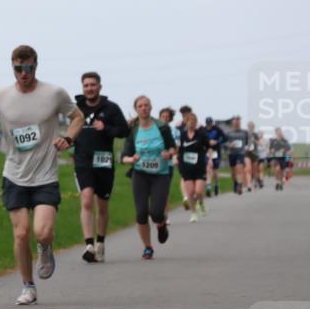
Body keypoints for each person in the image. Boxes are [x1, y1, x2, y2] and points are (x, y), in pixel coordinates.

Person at [0, 45, 83, 305]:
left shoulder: (54, 94)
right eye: (18, 68)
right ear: (12, 67)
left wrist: (68, 137)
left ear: (36, 66)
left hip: (45, 175)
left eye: (28, 68)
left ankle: (45, 249)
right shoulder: (1, 97)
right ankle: (28, 286)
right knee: (21, 234)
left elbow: (78, 117)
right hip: (14, 175)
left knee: (42, 232)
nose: (23, 73)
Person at [72, 72, 128, 263]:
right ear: (82, 87)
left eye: (93, 85)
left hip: (104, 162)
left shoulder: (111, 108)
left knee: (102, 205)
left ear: (99, 87)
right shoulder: (76, 108)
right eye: (86, 85)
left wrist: (106, 129)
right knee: (86, 200)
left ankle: (100, 243)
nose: (89, 88)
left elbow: (124, 131)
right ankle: (88, 244)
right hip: (82, 161)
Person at [121, 96, 177, 259]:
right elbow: (124, 156)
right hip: (140, 174)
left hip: (160, 174)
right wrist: (131, 159)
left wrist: (169, 154)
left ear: (151, 107)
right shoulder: (133, 129)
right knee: (141, 213)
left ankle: (161, 224)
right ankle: (147, 247)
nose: (144, 108)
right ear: (136, 109)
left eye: (146, 105)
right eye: (140, 106)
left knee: (156, 212)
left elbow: (173, 148)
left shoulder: (162, 127)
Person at [177, 112, 209, 221]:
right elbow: (178, 150)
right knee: (190, 192)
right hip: (186, 167)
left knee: (199, 191)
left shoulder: (201, 135)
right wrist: (176, 158)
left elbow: (208, 147)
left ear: (196, 123)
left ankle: (201, 203)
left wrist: (209, 160)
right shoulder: (182, 136)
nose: (192, 124)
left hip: (199, 166)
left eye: (194, 122)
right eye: (190, 122)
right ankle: (193, 213)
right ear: (186, 122)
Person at [203, 117, 227, 197]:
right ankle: (209, 187)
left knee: (215, 169)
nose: (209, 126)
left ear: (212, 123)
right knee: (208, 168)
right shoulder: (203, 130)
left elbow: (225, 138)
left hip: (216, 151)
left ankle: (216, 184)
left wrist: (217, 142)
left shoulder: (217, 129)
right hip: (206, 151)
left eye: (210, 124)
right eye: (207, 124)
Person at [226, 116, 250, 195]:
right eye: (235, 121)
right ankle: (235, 183)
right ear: (233, 123)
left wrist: (246, 148)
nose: (237, 123)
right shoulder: (229, 132)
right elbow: (224, 143)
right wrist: (229, 145)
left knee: (239, 168)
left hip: (241, 153)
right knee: (233, 173)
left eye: (238, 121)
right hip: (231, 154)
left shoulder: (244, 132)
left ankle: (239, 185)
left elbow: (247, 142)